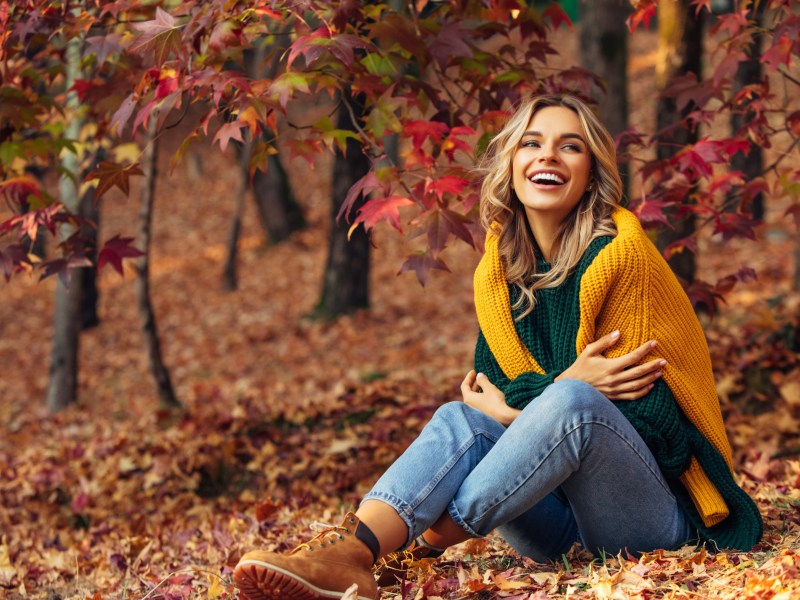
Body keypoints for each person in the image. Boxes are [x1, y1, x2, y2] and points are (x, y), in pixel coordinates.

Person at [233, 94, 763, 600]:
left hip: (651, 517)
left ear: (592, 172)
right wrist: (537, 403)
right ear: (511, 163)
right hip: (555, 528)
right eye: (531, 143)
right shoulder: (499, 272)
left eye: (570, 145)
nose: (548, 155)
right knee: (459, 421)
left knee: (572, 404)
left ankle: (419, 549)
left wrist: (534, 405)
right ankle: (351, 553)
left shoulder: (623, 257)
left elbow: (660, 429)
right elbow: (490, 402)